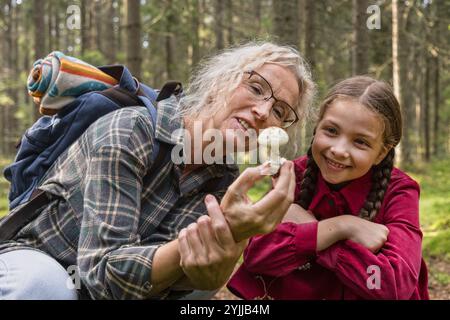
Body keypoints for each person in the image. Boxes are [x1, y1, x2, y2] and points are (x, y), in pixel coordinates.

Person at [0, 42, 315, 300]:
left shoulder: (223, 179)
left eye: (279, 111)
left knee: (199, 283)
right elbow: (101, 274)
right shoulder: (130, 130)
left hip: (101, 286)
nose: (262, 112)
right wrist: (224, 232)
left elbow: (151, 279)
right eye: (257, 88)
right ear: (222, 81)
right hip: (38, 259)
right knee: (46, 286)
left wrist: (224, 249)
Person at [228, 76, 429, 300]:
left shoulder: (399, 192)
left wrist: (314, 231)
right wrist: (342, 227)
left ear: (382, 152)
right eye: (331, 131)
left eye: (360, 142)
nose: (339, 150)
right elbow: (257, 256)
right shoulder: (293, 175)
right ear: (317, 127)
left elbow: (393, 285)